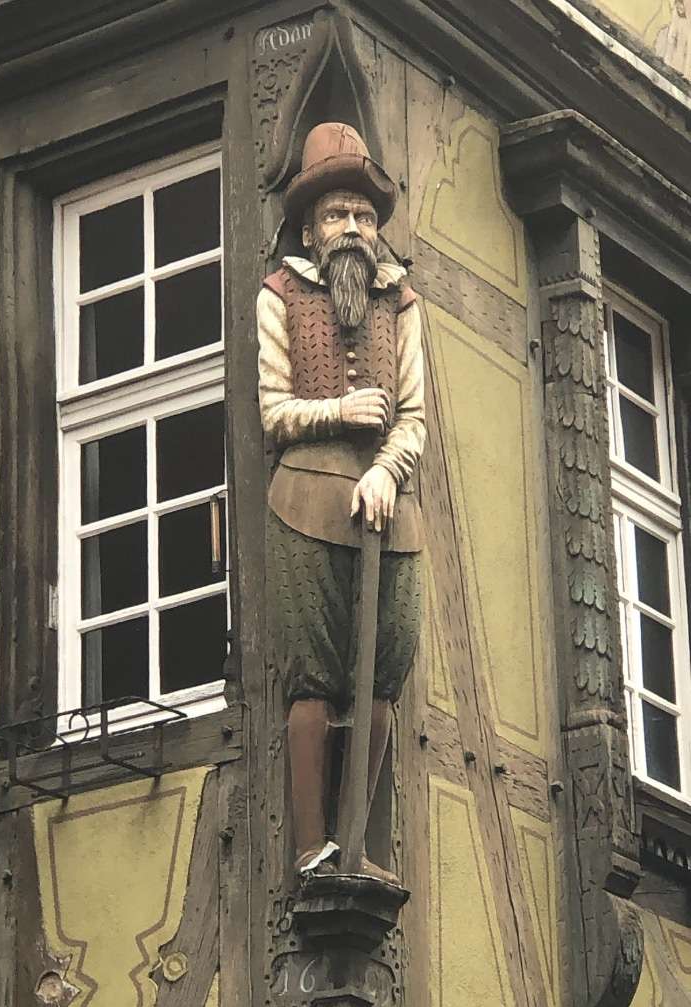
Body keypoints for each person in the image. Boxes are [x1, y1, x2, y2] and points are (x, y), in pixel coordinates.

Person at [257, 122, 426, 881]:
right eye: (335, 215)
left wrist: (387, 470)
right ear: (308, 227)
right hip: (303, 498)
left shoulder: (400, 300)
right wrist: (339, 413)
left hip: (388, 507)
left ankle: (362, 839)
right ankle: (312, 842)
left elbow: (416, 414)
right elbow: (273, 411)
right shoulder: (282, 294)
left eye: (361, 215)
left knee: (382, 670)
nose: (351, 228)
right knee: (316, 673)